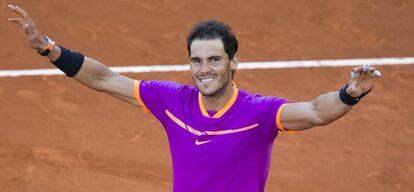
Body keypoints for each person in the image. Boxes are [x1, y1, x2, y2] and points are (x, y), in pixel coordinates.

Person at [7, 4, 381, 192]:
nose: (205, 70)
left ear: (234, 62)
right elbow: (105, 79)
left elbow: (315, 112)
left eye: (215, 60)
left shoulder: (259, 113)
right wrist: (48, 49)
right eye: (197, 60)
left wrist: (349, 94)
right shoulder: (172, 100)